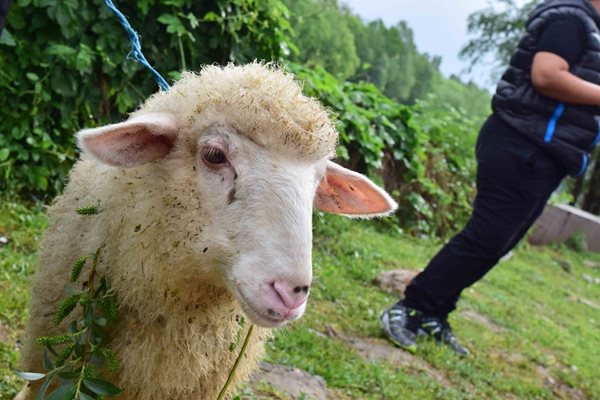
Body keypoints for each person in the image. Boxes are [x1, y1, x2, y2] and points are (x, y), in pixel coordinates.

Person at [381, 0, 600, 356]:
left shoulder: (588, 27)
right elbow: (546, 74)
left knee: (499, 243)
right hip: (522, 144)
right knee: (485, 237)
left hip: (542, 154)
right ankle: (410, 308)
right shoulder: (571, 21)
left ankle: (435, 313)